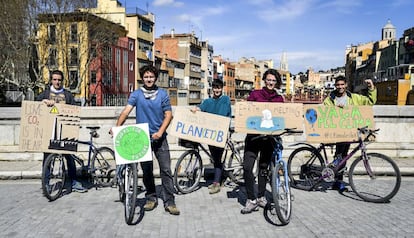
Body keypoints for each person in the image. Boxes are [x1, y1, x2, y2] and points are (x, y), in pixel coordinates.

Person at [110, 65, 180, 215]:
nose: (149, 79)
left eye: (151, 77)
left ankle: (170, 201)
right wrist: (117, 127)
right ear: (142, 78)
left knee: (166, 170)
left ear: (155, 78)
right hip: (142, 138)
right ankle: (151, 198)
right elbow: (126, 112)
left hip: (160, 138)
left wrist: (160, 132)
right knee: (147, 170)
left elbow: (168, 115)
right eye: (146, 77)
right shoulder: (136, 94)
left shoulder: (162, 94)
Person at [241, 69, 284, 214]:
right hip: (253, 138)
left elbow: (282, 119)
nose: (271, 82)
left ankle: (260, 196)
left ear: (276, 82)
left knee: (263, 168)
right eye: (269, 79)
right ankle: (251, 199)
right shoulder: (255, 95)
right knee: (247, 167)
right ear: (264, 80)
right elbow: (247, 113)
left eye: (274, 80)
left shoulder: (279, 99)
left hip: (269, 139)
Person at [36, 69, 87, 193]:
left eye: (59, 80)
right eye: (55, 79)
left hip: (64, 132)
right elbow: (34, 107)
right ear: (51, 81)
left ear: (62, 81)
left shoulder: (68, 95)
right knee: (47, 159)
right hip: (49, 131)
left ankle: (74, 182)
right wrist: (43, 102)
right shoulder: (44, 94)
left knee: (69, 157)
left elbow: (74, 109)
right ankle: (46, 184)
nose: (57, 82)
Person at [323, 76, 377, 192]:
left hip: (350, 131)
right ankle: (337, 180)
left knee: (343, 156)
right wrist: (335, 109)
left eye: (342, 84)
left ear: (346, 85)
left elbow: (370, 102)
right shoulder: (329, 100)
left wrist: (371, 88)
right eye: (338, 85)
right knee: (340, 156)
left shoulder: (354, 98)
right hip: (337, 132)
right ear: (335, 86)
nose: (340, 87)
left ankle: (337, 179)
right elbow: (324, 112)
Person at [191, 79, 232, 194]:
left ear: (222, 89)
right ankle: (219, 178)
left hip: (220, 133)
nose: (217, 90)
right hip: (211, 134)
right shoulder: (208, 101)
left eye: (219, 88)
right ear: (212, 89)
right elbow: (201, 108)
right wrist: (195, 110)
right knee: (215, 158)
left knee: (217, 159)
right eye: (215, 87)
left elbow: (225, 114)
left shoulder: (225, 99)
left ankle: (216, 184)